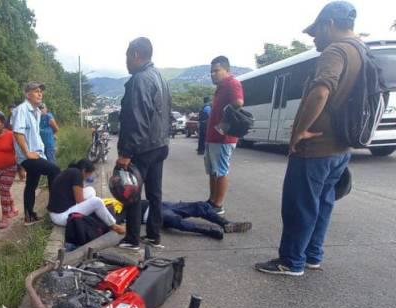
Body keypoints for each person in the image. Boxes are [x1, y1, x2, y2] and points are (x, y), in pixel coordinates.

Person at [256, 1, 361, 276]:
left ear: (329, 25)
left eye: (315, 32)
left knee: (299, 204)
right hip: (341, 145)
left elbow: (321, 91)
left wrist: (300, 130)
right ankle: (312, 255)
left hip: (316, 146)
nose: (314, 38)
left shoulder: (335, 50)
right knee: (323, 203)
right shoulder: (362, 51)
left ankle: (291, 261)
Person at [116, 37, 172, 250]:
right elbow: (166, 113)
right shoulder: (160, 78)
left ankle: (132, 239)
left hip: (143, 148)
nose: (126, 61)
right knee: (155, 192)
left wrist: (126, 153)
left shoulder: (140, 79)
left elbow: (136, 119)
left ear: (136, 55)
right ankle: (154, 235)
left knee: (131, 192)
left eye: (127, 56)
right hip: (160, 145)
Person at [11, 82, 60, 225]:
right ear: (27, 94)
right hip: (29, 156)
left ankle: (29, 216)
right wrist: (27, 152)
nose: (40, 94)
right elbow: (17, 132)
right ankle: (55, 209)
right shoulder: (22, 110)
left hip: (36, 154)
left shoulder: (36, 112)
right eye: (36, 91)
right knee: (55, 170)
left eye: (41, 91)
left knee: (32, 184)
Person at [205, 56, 244, 215]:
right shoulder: (220, 87)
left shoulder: (232, 83)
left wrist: (224, 122)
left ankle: (218, 204)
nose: (213, 74)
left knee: (221, 171)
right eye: (211, 72)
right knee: (213, 171)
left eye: (217, 71)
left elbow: (239, 102)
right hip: (213, 137)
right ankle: (212, 200)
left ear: (227, 70)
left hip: (223, 138)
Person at [47, 159, 125, 234]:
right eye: (89, 175)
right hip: (61, 217)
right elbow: (79, 200)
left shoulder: (72, 171)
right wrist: (91, 204)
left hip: (56, 213)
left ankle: (99, 211)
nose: (87, 178)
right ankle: (112, 225)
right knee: (97, 201)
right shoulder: (77, 175)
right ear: (84, 171)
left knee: (91, 190)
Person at [138, 200, 252, 240]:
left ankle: (226, 224)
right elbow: (120, 224)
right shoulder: (120, 211)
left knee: (200, 206)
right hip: (154, 214)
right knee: (174, 220)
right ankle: (207, 231)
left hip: (160, 203)